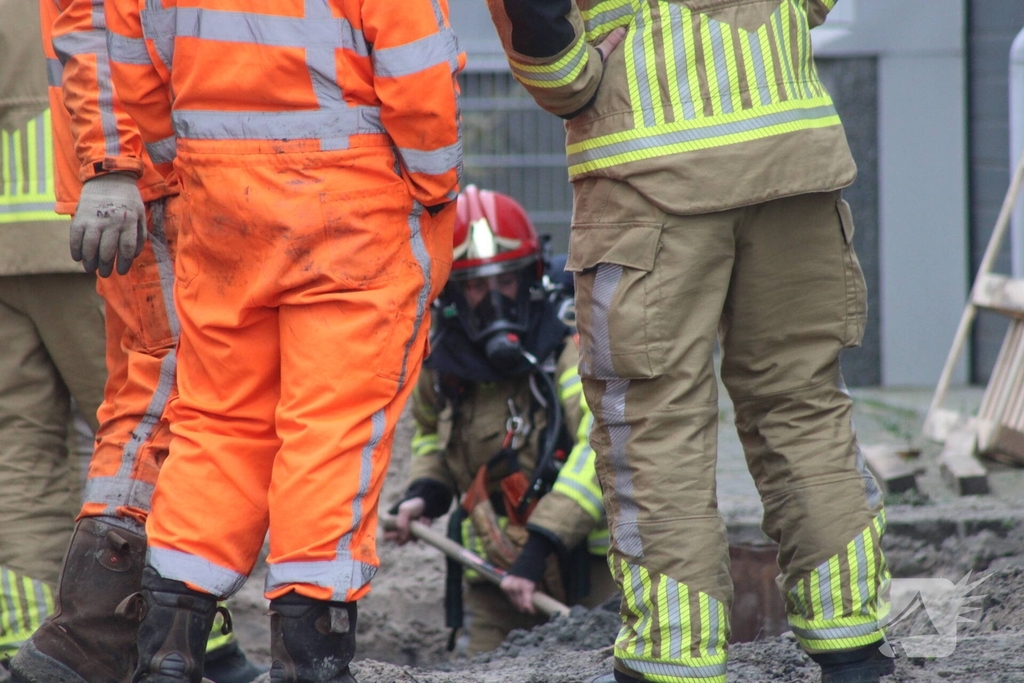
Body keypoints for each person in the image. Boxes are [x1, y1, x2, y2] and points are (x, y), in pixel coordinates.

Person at [482, 2, 893, 683]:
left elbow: (542, 30)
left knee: (655, 423)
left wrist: (575, 75)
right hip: (793, 148)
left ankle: (674, 658)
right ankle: (853, 644)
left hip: (646, 172)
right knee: (803, 402)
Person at [99, 1, 464, 681]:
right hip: (352, 209)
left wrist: (192, 168)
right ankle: (310, 660)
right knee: (330, 430)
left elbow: (131, 62)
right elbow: (418, 68)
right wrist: (434, 184)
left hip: (219, 201)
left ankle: (169, 656)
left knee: (217, 423)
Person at [9, 1, 261, 682]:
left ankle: (55, 642)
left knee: (48, 444)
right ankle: (165, 639)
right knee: (166, 415)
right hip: (125, 209)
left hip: (67, 220)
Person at [386, 186, 616, 654]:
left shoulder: (567, 346)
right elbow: (430, 436)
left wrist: (540, 548)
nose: (493, 299)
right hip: (495, 572)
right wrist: (425, 495)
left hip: (588, 568)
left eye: (505, 281)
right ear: (451, 292)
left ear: (530, 278)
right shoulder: (440, 362)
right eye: (474, 285)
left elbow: (601, 445)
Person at [0, 0, 107, 667]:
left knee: (19, 450)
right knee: (147, 435)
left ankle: (31, 641)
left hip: (5, 252)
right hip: (92, 231)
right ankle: (186, 629)